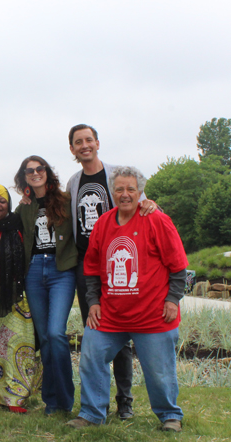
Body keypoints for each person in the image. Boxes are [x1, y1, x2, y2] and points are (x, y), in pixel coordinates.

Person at [66, 166, 187, 432]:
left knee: (159, 370)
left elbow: (178, 266)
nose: (125, 194)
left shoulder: (157, 220)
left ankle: (169, 415)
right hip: (111, 314)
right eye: (119, 189)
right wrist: (93, 301)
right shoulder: (103, 223)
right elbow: (93, 268)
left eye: (131, 189)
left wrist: (173, 299)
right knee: (91, 356)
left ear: (140, 191)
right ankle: (92, 413)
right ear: (112, 191)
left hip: (153, 315)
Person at [66, 124, 157, 419]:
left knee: (121, 334)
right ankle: (97, 404)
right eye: (78, 142)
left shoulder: (117, 173)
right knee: (100, 327)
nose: (84, 145)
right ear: (72, 149)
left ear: (97, 143)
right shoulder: (73, 181)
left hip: (118, 257)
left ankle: (125, 401)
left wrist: (151, 204)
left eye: (88, 140)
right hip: (87, 262)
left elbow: (140, 202)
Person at [14, 156, 78, 415]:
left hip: (61, 269)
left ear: (47, 172)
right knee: (45, 338)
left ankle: (63, 399)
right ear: (24, 177)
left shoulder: (65, 200)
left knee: (55, 334)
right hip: (34, 272)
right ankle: (52, 402)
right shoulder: (25, 208)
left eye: (39, 168)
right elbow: (5, 226)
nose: (35, 173)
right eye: (29, 171)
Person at [0, 184, 42, 413]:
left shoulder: (16, 226)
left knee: (11, 344)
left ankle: (12, 397)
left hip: (10, 292)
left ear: (8, 205)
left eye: (2, 201)